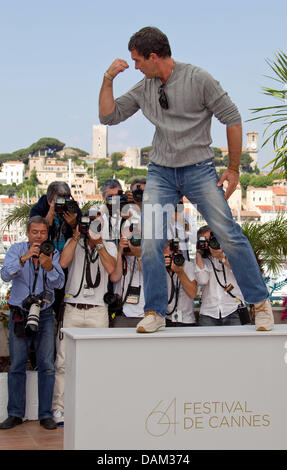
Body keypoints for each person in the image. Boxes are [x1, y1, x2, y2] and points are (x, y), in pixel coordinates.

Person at [99, 26, 273, 333]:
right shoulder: (144, 88)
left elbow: (232, 118)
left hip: (199, 170)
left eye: (138, 60)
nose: (136, 66)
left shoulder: (198, 79)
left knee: (228, 234)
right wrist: (108, 78)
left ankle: (260, 304)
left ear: (153, 57)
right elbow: (108, 116)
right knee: (151, 241)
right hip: (161, 172)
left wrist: (233, 169)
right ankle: (154, 312)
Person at [52, 210, 117, 425]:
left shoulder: (109, 246)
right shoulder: (75, 241)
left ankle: (96, 405)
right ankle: (59, 408)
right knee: (63, 362)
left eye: (96, 220)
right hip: (72, 308)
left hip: (98, 310)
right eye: (88, 220)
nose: (92, 223)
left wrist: (97, 242)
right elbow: (62, 262)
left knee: (98, 361)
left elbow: (110, 268)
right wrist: (77, 235)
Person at [0, 216, 65, 430]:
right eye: (35, 232)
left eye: (43, 233)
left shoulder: (51, 252)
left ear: (48, 234)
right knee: (17, 364)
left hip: (44, 313)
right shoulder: (16, 250)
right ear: (27, 233)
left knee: (47, 365)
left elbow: (59, 283)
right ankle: (15, 413)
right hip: (20, 312)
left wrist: (48, 267)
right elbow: (5, 275)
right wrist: (24, 258)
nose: (39, 236)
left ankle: (45, 414)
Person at [195, 226, 248, 326]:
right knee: (206, 342)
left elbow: (240, 271)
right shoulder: (201, 261)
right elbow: (202, 280)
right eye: (204, 241)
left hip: (233, 309)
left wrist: (221, 257)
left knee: (238, 341)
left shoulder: (231, 253)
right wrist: (198, 253)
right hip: (209, 312)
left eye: (211, 239)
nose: (209, 243)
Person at [164, 241, 197, 327]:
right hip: (166, 319)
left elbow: (192, 293)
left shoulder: (188, 266)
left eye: (175, 255)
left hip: (186, 320)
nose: (172, 259)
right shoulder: (160, 267)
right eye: (169, 256)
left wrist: (180, 272)